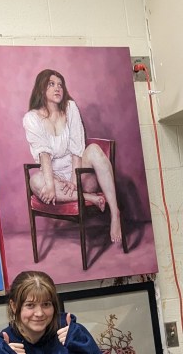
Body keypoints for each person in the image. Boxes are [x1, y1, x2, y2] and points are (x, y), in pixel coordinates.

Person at [23, 69, 122, 245]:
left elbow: (77, 148)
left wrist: (74, 181)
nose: (57, 88)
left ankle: (115, 213)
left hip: (78, 174)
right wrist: (51, 184)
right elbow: (44, 154)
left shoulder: (70, 108)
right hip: (53, 176)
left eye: (60, 85)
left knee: (94, 149)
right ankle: (88, 197)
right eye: (51, 84)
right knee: (35, 182)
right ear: (41, 88)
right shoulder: (31, 118)